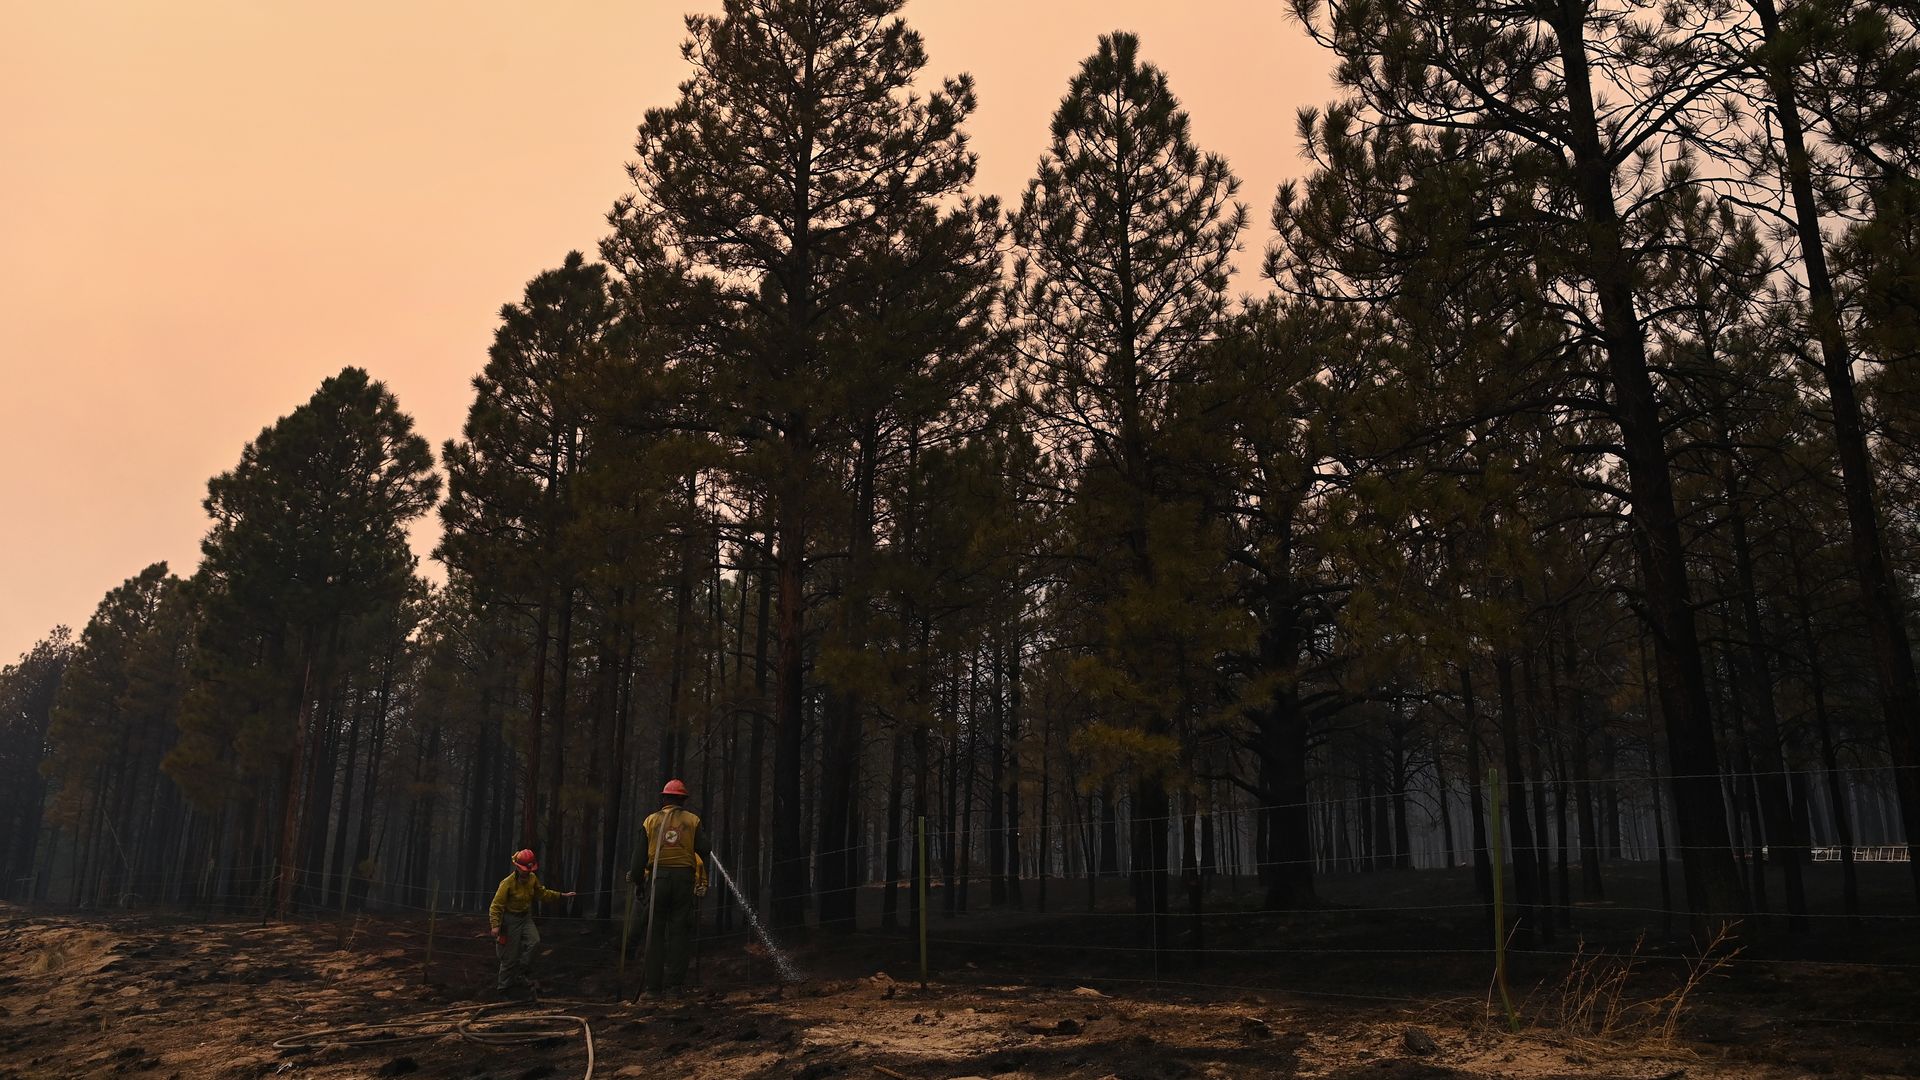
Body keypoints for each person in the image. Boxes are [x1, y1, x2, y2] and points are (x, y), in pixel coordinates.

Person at [628, 779, 710, 996]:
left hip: (657, 880)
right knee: (679, 932)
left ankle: (653, 989)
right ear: (683, 800)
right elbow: (705, 848)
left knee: (654, 933)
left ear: (664, 798)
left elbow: (638, 860)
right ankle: (675, 987)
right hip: (684, 881)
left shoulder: (650, 821)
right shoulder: (692, 820)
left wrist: (637, 880)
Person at [488, 848, 576, 997]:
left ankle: (520, 972)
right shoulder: (507, 883)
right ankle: (504, 988)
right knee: (509, 956)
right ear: (517, 867)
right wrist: (495, 925)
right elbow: (496, 905)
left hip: (526, 918)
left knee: (535, 942)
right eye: (525, 870)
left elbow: (542, 893)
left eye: (529, 869)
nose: (527, 872)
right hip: (510, 920)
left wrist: (561, 895)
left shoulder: (533, 878)